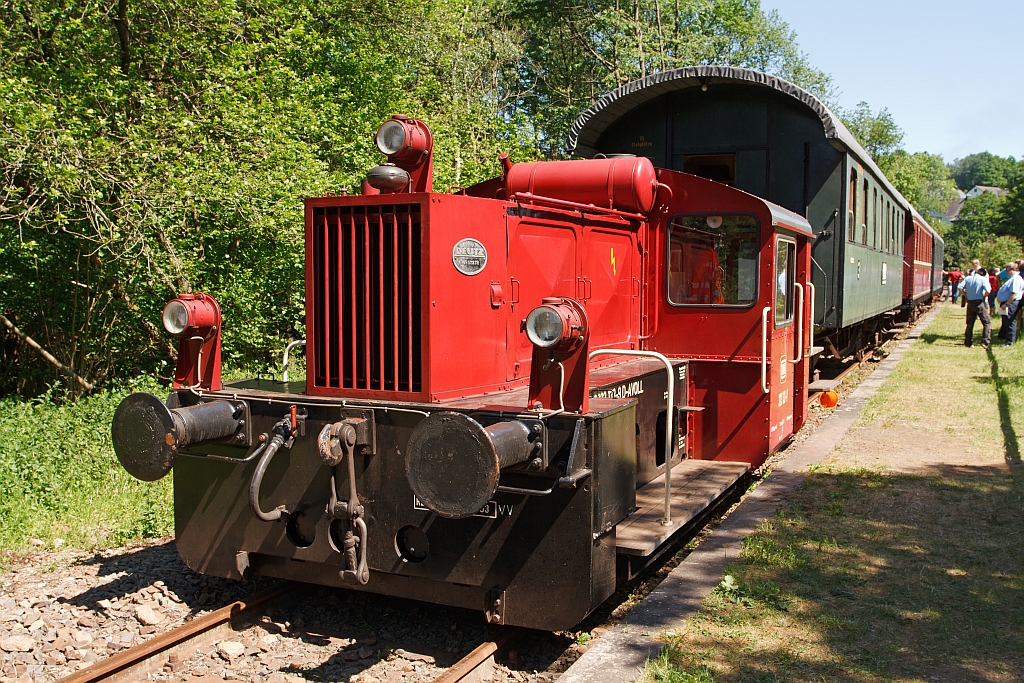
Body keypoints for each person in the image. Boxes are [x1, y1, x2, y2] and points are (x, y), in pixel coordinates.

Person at [959, 267, 992, 348]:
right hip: (979, 302)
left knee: (969, 323)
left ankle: (968, 342)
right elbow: (988, 290)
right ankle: (985, 341)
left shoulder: (968, 278)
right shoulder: (983, 279)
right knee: (987, 322)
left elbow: (959, 287)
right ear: (983, 274)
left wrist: (965, 294)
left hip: (970, 303)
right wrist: (984, 296)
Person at [996, 262, 1024, 346]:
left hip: (1010, 303)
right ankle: (1006, 338)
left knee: (1010, 321)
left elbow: (1013, 294)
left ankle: (1010, 342)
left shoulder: (1016, 279)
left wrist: (1007, 304)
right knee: (1006, 321)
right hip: (1006, 303)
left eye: (1007, 270)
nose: (1006, 273)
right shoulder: (1013, 278)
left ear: (1013, 270)